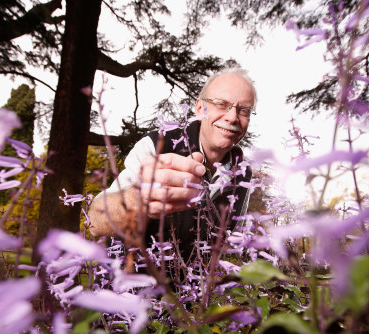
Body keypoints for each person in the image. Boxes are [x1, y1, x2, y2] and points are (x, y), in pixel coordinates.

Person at [89, 67, 256, 261]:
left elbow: (229, 238)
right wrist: (140, 198)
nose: (232, 117)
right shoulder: (157, 144)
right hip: (126, 285)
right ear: (200, 108)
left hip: (189, 289)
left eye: (243, 110)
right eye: (221, 104)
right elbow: (94, 221)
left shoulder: (243, 173)